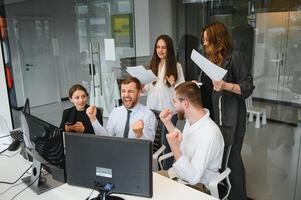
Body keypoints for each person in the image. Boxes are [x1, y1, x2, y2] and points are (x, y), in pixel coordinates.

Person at [200, 22, 255, 200]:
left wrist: (226, 86)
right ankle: (221, 193)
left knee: (232, 160)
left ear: (218, 39)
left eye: (207, 40)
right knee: (218, 159)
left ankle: (239, 197)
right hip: (212, 116)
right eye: (203, 40)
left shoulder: (235, 57)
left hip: (230, 119)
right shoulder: (208, 58)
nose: (205, 44)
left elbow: (247, 87)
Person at [159, 82, 224, 193]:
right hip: (177, 176)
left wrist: (174, 148)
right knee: (146, 182)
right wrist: (168, 123)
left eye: (174, 101)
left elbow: (193, 177)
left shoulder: (209, 133)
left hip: (198, 186)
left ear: (185, 103)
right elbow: (184, 143)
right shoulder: (191, 121)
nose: (172, 105)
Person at [144, 34, 185, 168]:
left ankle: (166, 171)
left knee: (168, 144)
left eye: (164, 48)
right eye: (158, 47)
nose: (160, 50)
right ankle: (154, 169)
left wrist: (174, 84)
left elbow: (182, 90)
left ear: (169, 49)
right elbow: (147, 89)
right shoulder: (152, 66)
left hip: (169, 112)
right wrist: (140, 86)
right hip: (153, 111)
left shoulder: (176, 66)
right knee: (154, 143)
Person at [87, 76, 156, 141]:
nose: (126, 95)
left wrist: (139, 134)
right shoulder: (115, 112)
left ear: (138, 93)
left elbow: (148, 147)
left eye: (130, 91)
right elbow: (107, 138)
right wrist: (93, 119)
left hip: (136, 152)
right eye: (123, 91)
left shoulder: (148, 115)